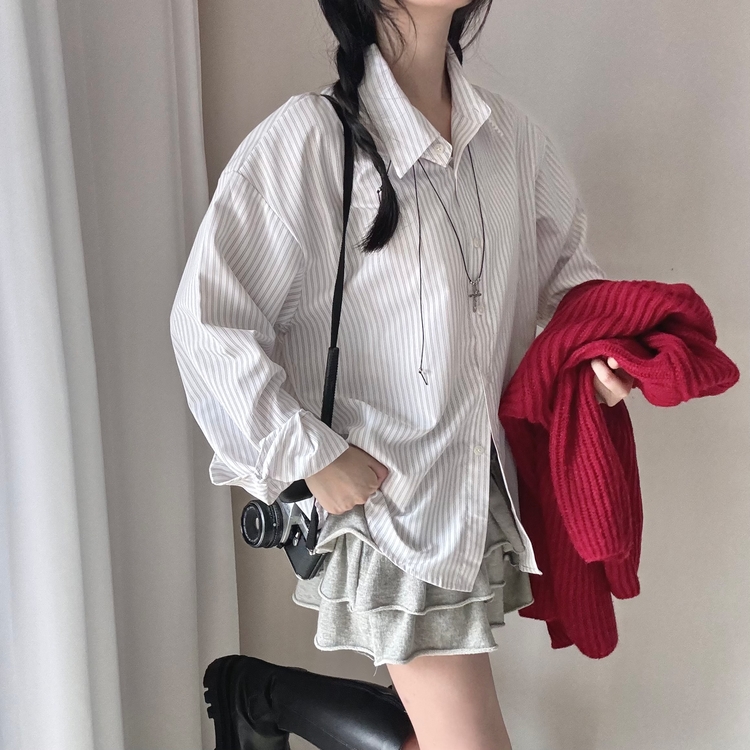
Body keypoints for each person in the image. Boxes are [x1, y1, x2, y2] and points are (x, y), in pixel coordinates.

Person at [170, 1, 633, 748]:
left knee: (436, 734)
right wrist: (310, 455)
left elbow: (572, 283)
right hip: (390, 508)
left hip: (480, 494)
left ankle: (261, 697)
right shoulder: (310, 140)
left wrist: (601, 354)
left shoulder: (512, 140)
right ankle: (262, 698)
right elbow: (208, 322)